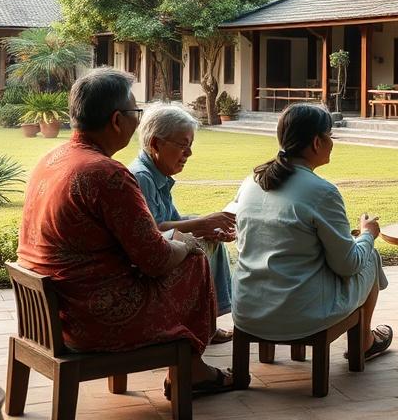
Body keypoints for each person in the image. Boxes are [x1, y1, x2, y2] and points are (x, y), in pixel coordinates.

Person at [17, 68, 236, 396]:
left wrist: (178, 237)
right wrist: (188, 242)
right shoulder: (107, 174)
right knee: (194, 262)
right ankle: (191, 370)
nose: (138, 121)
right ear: (117, 120)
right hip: (91, 319)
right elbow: (156, 261)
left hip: (53, 312)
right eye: (136, 112)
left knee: (187, 250)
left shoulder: (53, 158)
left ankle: (190, 365)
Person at [231, 103, 392, 358]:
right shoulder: (322, 192)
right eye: (331, 135)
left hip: (247, 309)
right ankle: (364, 340)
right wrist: (367, 234)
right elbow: (348, 265)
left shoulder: (251, 182)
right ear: (317, 142)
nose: (332, 142)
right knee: (369, 255)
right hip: (300, 313)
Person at [129, 103, 237, 345]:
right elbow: (155, 229)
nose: (188, 154)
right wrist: (203, 222)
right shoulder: (142, 176)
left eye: (190, 146)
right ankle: (198, 325)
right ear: (156, 144)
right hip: (146, 265)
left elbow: (175, 221)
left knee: (211, 240)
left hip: (162, 249)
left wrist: (208, 226)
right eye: (183, 145)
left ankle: (208, 323)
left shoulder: (158, 175)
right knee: (197, 250)